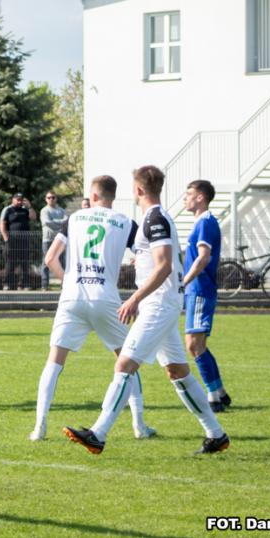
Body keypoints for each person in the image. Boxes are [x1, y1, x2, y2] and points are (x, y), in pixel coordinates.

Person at [63, 166, 229, 456]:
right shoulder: (155, 218)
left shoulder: (155, 218)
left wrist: (135, 299)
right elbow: (158, 262)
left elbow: (164, 265)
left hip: (159, 304)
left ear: (138, 189)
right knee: (177, 371)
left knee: (124, 365)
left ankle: (98, 434)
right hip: (163, 302)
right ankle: (216, 434)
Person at [29, 176, 155, 441]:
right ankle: (139, 425)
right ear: (113, 196)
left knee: (54, 361)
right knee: (127, 361)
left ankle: (39, 427)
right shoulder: (125, 222)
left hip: (72, 297)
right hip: (105, 298)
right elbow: (146, 256)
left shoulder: (74, 218)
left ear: (93, 196)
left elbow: (50, 258)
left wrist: (68, 281)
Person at [181, 179, 230, 413]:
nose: (185, 198)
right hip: (197, 289)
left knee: (193, 344)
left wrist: (185, 281)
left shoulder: (205, 222)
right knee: (198, 344)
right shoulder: (202, 222)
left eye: (189, 193)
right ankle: (219, 392)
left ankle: (212, 397)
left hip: (199, 289)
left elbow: (203, 257)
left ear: (200, 197)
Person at [0, 192, 37, 290]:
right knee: (10, 263)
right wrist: (6, 238)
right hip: (11, 241)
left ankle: (24, 284)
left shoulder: (25, 210)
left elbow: (33, 217)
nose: (19, 202)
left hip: (24, 240)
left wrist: (29, 207)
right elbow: (2, 223)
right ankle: (7, 284)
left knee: (25, 263)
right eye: (17, 200)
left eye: (21, 200)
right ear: (13, 199)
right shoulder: (7, 209)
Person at [40, 191, 66, 290]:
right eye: (49, 197)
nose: (51, 199)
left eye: (53, 197)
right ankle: (44, 285)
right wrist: (60, 224)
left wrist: (53, 221)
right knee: (46, 261)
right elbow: (47, 222)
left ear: (56, 198)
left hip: (60, 239)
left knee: (62, 261)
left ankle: (64, 284)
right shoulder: (44, 210)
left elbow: (66, 221)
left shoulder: (61, 210)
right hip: (48, 239)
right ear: (46, 199)